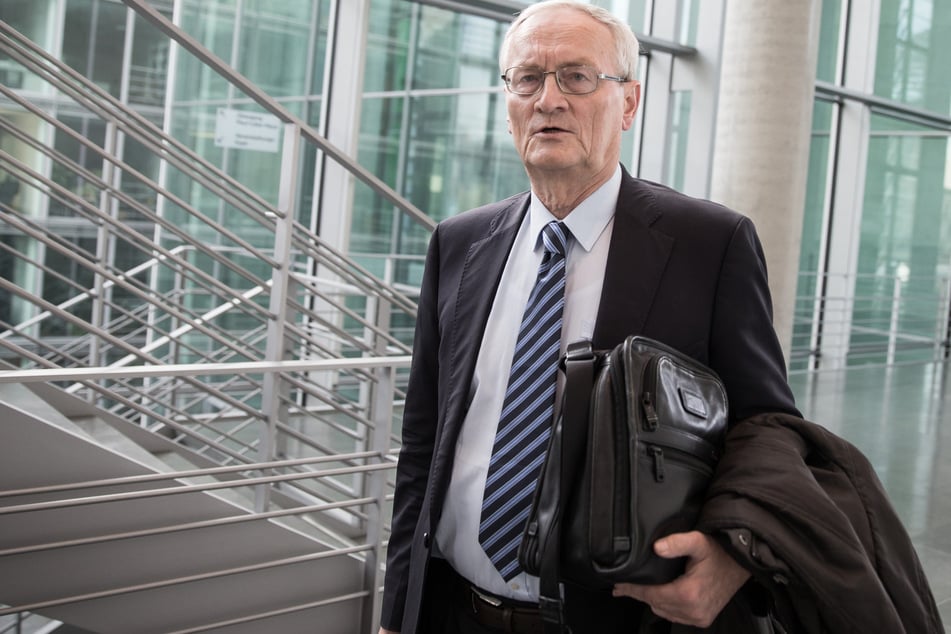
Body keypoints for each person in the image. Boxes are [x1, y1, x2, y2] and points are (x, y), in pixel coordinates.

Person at [379, 2, 800, 632]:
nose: (549, 99)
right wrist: (398, 609)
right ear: (509, 101)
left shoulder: (708, 244)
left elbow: (768, 429)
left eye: (577, 77)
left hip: (619, 618)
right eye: (528, 79)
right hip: (451, 609)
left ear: (628, 104)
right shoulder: (459, 244)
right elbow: (423, 443)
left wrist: (734, 560)